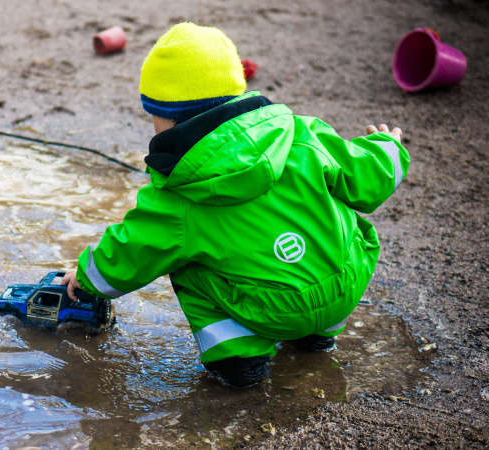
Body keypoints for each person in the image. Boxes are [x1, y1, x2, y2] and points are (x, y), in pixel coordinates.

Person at [61, 22, 409, 388]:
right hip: (344, 285)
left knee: (182, 261)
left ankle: (239, 358)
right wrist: (389, 147)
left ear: (162, 116)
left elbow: (131, 251)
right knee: (334, 216)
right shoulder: (302, 134)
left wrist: (85, 278)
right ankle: (316, 336)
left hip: (271, 310)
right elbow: (368, 175)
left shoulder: (176, 194)